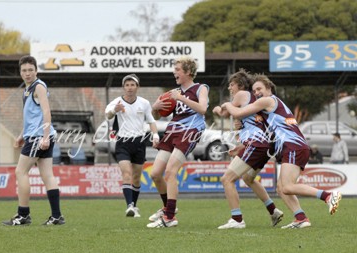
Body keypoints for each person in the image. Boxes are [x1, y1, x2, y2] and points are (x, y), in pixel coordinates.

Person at [222, 74, 342, 229]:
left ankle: (328, 196)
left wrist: (227, 104)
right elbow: (263, 132)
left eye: (259, 89)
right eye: (254, 90)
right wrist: (242, 144)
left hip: (293, 146)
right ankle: (301, 218)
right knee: (281, 188)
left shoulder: (268, 100)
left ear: (269, 88)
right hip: (293, 147)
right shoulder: (268, 110)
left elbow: (238, 113)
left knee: (286, 187)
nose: (256, 93)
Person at [212, 69, 283, 229]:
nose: (230, 88)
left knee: (226, 179)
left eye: (232, 85)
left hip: (256, 144)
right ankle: (273, 211)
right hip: (264, 146)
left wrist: (218, 108)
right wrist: (241, 145)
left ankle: (237, 219)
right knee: (248, 179)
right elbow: (254, 124)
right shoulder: (253, 101)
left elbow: (223, 113)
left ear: (241, 85)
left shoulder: (242, 94)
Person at [146, 56, 209, 228]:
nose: (175, 72)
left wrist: (180, 98)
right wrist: (155, 107)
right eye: (174, 69)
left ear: (188, 72)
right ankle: (167, 207)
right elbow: (161, 115)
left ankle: (169, 217)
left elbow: (202, 109)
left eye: (178, 69)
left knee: (171, 172)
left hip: (190, 131)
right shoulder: (173, 93)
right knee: (155, 173)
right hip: (172, 131)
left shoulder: (200, 88)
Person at [2, 55, 64, 226]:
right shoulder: (28, 89)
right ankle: (57, 216)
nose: (27, 73)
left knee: (20, 172)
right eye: (24, 70)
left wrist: (44, 137)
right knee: (47, 175)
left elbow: (46, 112)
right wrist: (22, 135)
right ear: (20, 72)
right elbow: (32, 117)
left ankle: (23, 215)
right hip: (38, 135)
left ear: (36, 71)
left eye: (30, 70)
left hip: (40, 137)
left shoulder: (39, 87)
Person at [105, 74, 159, 218]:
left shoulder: (144, 103)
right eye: (127, 85)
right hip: (123, 143)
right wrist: (114, 110)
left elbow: (151, 121)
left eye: (132, 85)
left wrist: (155, 135)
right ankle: (129, 205)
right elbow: (108, 115)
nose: (129, 88)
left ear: (137, 87)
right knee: (126, 173)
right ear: (123, 87)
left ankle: (134, 206)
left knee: (136, 177)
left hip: (139, 143)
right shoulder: (116, 102)